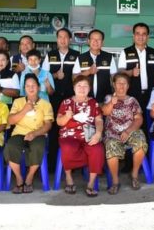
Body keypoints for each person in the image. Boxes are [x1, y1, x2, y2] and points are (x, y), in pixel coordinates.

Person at [56, 76, 105, 197]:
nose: (82, 89)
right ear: (74, 88)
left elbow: (99, 120)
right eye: (79, 86)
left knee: (97, 149)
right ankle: (69, 177)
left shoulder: (93, 103)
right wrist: (67, 117)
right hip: (70, 135)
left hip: (89, 134)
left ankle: (91, 183)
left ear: (89, 89)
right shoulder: (66, 102)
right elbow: (59, 122)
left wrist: (98, 133)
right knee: (67, 147)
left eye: (85, 86)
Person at [6, 74, 54, 194]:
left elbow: (48, 125)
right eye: (27, 86)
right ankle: (19, 178)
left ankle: (30, 177)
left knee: (38, 147)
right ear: (24, 88)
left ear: (38, 87)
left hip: (38, 134)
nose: (31, 88)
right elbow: (10, 121)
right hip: (19, 133)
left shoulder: (45, 104)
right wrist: (24, 110)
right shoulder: (18, 102)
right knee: (10, 146)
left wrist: (34, 133)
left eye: (33, 85)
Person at [102, 73, 148, 194]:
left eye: (124, 83)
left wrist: (128, 131)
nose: (121, 86)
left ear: (128, 86)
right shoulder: (108, 98)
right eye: (118, 83)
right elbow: (105, 112)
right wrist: (112, 102)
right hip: (112, 133)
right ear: (114, 85)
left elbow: (139, 119)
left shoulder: (132, 100)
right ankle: (115, 181)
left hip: (130, 130)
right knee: (111, 146)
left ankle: (134, 175)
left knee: (141, 141)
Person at [42, 27, 80, 168]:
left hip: (71, 98)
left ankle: (73, 163)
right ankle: (52, 163)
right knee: (53, 130)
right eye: (60, 37)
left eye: (65, 37)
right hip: (53, 98)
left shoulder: (76, 55)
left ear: (70, 39)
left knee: (71, 129)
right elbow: (43, 76)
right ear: (57, 39)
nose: (63, 40)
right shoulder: (50, 55)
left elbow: (78, 77)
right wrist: (54, 76)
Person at [118, 22, 154, 117]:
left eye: (144, 34)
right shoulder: (125, 52)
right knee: (133, 121)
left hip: (151, 94)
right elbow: (120, 73)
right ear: (133, 36)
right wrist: (131, 72)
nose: (140, 37)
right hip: (132, 94)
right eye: (138, 34)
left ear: (148, 37)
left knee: (150, 120)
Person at [73, 29, 117, 104]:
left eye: (98, 39)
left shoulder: (109, 57)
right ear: (88, 41)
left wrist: (116, 94)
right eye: (93, 39)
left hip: (105, 100)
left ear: (102, 42)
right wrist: (88, 72)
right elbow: (74, 78)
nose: (96, 42)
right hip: (85, 100)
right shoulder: (81, 58)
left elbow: (114, 78)